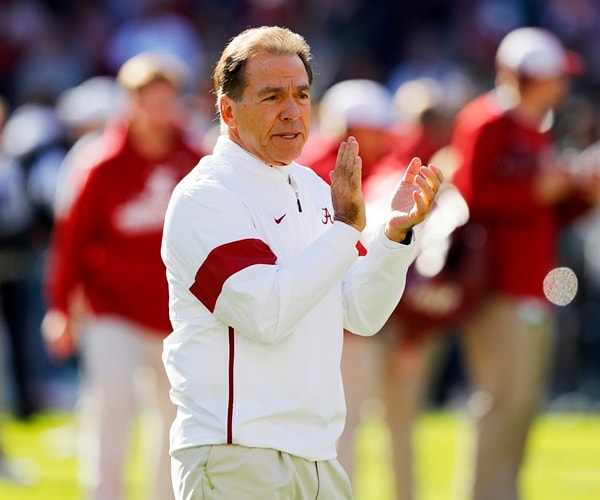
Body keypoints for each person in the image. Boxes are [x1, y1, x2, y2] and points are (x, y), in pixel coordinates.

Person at [161, 25, 443, 499]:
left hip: (317, 457)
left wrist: (394, 237)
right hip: (236, 454)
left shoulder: (312, 188)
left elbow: (362, 313)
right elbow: (266, 315)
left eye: (301, 94)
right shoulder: (206, 197)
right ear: (228, 111)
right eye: (272, 96)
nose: (292, 110)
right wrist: (346, 229)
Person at [41, 50, 203, 500]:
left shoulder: (196, 159)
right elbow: (71, 243)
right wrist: (59, 308)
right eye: (148, 100)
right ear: (129, 103)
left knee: (175, 419)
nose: (157, 111)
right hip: (111, 307)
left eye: (165, 100)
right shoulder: (99, 164)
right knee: (112, 408)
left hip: (175, 312)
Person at [449, 27, 598, 500]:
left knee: (523, 405)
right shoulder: (486, 121)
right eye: (554, 76)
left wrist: (579, 194)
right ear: (528, 76)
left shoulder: (535, 127)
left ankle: (505, 492)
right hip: (496, 284)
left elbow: (547, 210)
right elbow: (471, 196)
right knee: (500, 402)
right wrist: (538, 189)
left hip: (535, 282)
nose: (562, 86)